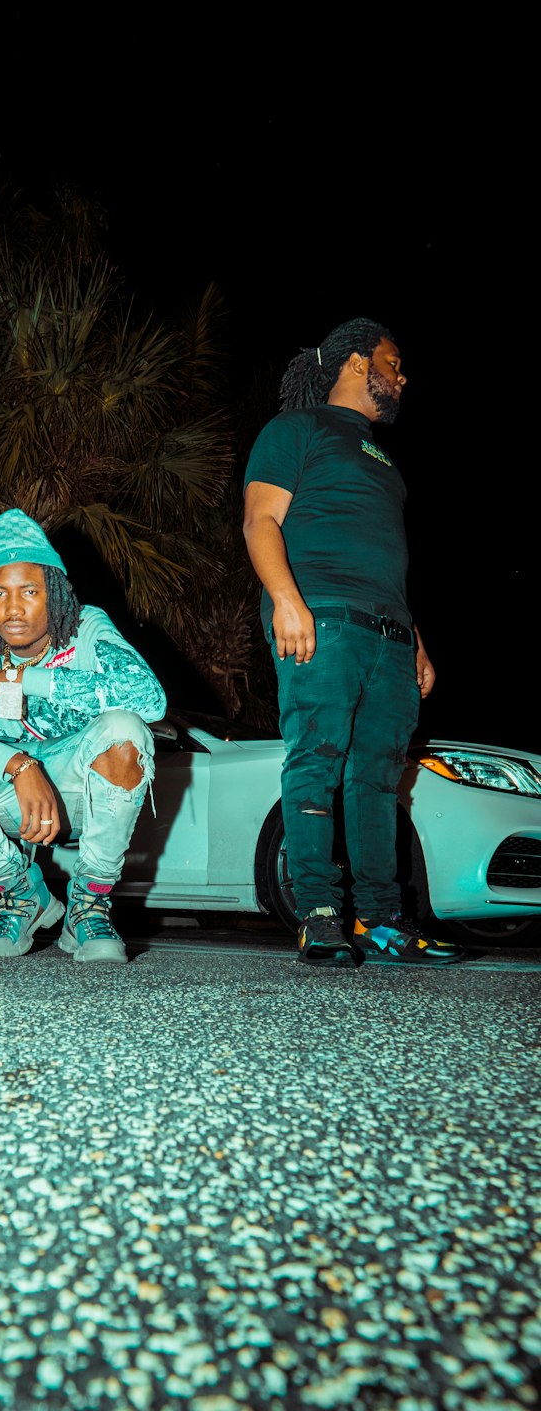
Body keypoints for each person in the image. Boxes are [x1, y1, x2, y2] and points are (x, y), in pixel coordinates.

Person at [242, 317, 462, 967]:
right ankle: (318, 913)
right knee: (317, 759)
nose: (401, 376)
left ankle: (382, 920)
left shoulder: (383, 459)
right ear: (356, 363)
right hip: (321, 618)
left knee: (375, 778)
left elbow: (385, 563)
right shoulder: (294, 431)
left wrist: (415, 639)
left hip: (389, 635)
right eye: (392, 362)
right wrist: (287, 600)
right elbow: (261, 522)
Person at [0, 509, 167, 962]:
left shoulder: (86, 627)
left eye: (30, 591)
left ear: (56, 596)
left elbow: (150, 698)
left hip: (84, 786)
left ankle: (89, 903)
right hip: (15, 795)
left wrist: (27, 682)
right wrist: (16, 765)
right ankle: (24, 896)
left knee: (125, 730)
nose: (13, 608)